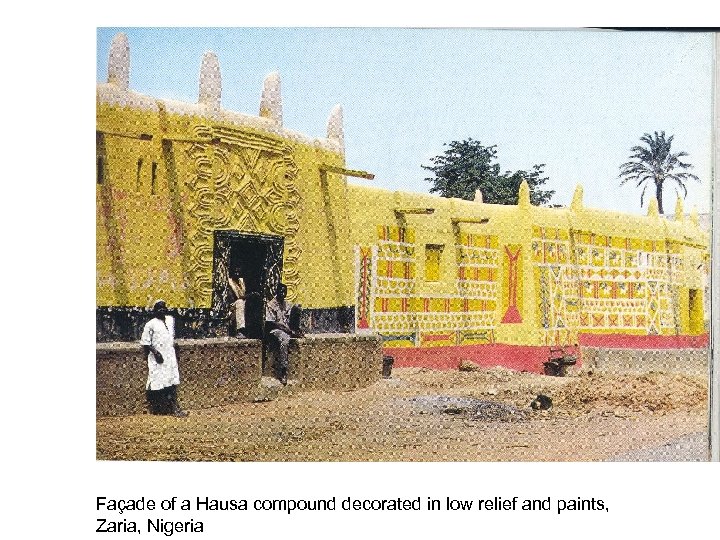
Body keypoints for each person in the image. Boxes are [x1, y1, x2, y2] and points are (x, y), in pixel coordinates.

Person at [140, 300, 188, 417]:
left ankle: (175, 408)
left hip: (170, 356)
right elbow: (145, 342)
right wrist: (156, 353)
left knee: (172, 382)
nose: (161, 310)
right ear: (154, 311)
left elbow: (171, 337)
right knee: (158, 382)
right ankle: (157, 409)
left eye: (163, 308)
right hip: (158, 358)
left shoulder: (170, 320)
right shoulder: (150, 324)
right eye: (158, 308)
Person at [265, 283, 303, 385]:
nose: (283, 293)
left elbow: (292, 318)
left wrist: (296, 329)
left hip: (287, 329)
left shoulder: (287, 304)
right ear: (276, 292)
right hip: (276, 330)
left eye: (284, 291)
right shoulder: (270, 305)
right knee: (284, 340)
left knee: (298, 307)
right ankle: (283, 370)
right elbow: (272, 323)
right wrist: (288, 331)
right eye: (280, 291)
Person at [227, 268, 247, 337]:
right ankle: (240, 330)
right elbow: (234, 298)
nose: (237, 274)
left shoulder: (241, 281)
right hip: (231, 307)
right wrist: (249, 295)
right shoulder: (229, 282)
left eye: (238, 272)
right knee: (240, 302)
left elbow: (243, 295)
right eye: (235, 272)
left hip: (241, 304)